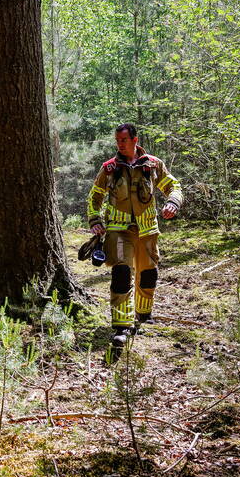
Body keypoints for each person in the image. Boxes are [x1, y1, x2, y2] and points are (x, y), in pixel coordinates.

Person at [87, 123, 183, 350]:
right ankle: (121, 326)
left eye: (124, 140)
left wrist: (173, 202)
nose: (120, 144)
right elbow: (94, 197)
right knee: (121, 272)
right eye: (117, 140)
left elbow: (173, 186)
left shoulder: (153, 164)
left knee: (148, 273)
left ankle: (144, 313)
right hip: (119, 231)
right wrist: (95, 221)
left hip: (148, 231)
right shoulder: (109, 168)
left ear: (135, 140)